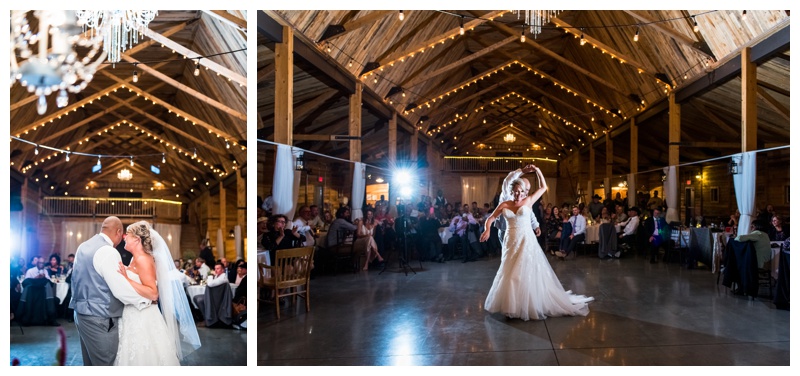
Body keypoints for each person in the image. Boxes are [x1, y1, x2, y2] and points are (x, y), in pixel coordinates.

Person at [480, 165, 593, 320]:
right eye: (515, 191)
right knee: (509, 271)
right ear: (511, 190)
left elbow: (543, 187)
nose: (518, 194)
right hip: (510, 240)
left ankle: (527, 304)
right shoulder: (504, 204)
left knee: (523, 271)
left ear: (525, 192)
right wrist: (487, 229)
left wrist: (538, 170)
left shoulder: (528, 201)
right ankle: (512, 305)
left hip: (526, 240)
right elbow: (491, 218)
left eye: (521, 192)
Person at [115, 220, 201, 365]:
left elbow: (153, 293)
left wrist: (126, 279)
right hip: (134, 314)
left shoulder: (143, 259)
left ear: (136, 239)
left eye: (127, 235)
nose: (124, 237)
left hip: (143, 317)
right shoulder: (135, 259)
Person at [70, 217, 153, 366]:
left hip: (80, 314)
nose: (124, 239)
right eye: (123, 235)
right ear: (118, 232)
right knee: (105, 363)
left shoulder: (82, 246)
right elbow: (120, 290)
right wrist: (146, 300)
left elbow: (76, 279)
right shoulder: (108, 252)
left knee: (90, 363)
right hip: (100, 317)